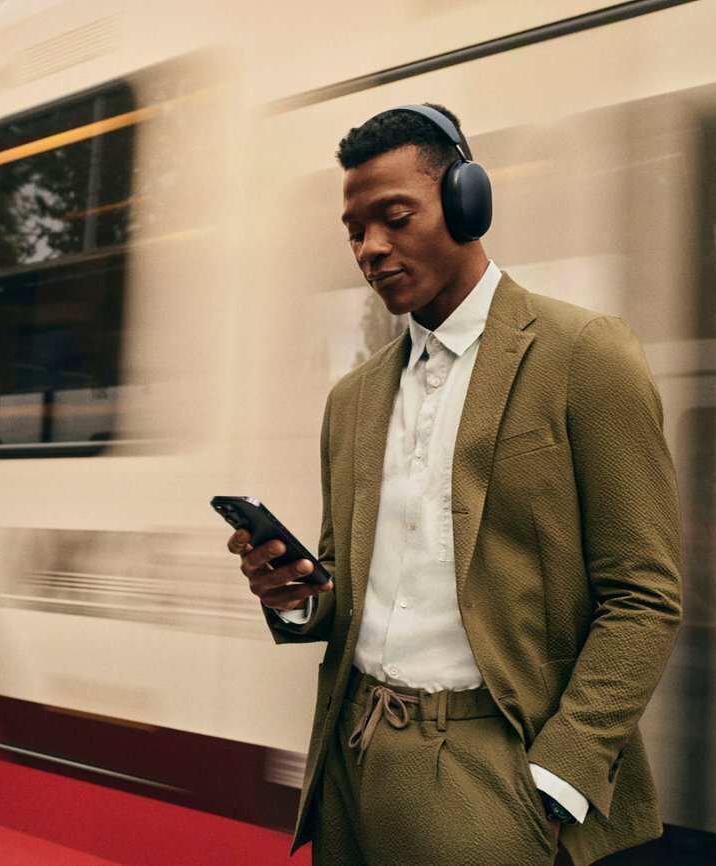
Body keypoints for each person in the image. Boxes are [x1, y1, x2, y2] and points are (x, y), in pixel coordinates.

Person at [227, 104, 682, 866]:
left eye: (394, 217)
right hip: (350, 759)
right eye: (353, 230)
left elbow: (644, 593)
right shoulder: (352, 400)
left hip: (489, 776)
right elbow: (349, 589)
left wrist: (557, 779)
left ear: (468, 202)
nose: (371, 248)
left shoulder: (583, 356)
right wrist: (296, 594)